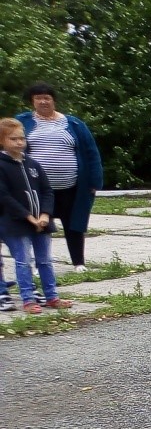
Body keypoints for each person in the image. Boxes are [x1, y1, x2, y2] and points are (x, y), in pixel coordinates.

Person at [16, 83, 103, 273]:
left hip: (71, 186)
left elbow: (91, 152)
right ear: (33, 101)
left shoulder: (74, 124)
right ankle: (41, 263)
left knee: (75, 224)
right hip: (36, 188)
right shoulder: (22, 122)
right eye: (38, 98)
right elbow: (10, 147)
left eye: (47, 97)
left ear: (54, 100)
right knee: (39, 226)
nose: (43, 101)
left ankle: (78, 263)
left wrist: (95, 182)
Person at [0, 118, 72, 314]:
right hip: (16, 223)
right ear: (2, 140)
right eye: (13, 139)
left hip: (41, 221)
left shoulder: (33, 164)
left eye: (22, 138)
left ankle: (52, 296)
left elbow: (47, 191)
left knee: (45, 260)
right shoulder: (2, 165)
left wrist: (45, 214)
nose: (19, 142)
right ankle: (28, 299)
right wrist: (28, 217)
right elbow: (4, 196)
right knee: (23, 260)